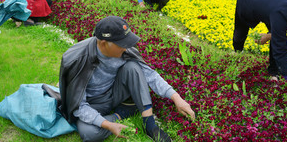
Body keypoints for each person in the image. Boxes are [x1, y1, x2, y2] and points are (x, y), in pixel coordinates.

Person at [59, 16, 195, 142]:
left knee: (133, 67)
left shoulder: (125, 50)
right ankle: (123, 113)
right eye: (121, 44)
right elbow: (78, 105)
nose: (126, 47)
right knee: (89, 132)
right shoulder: (77, 60)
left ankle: (149, 124)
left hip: (113, 94)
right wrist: (107, 124)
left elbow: (150, 74)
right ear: (104, 43)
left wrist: (176, 98)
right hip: (92, 103)